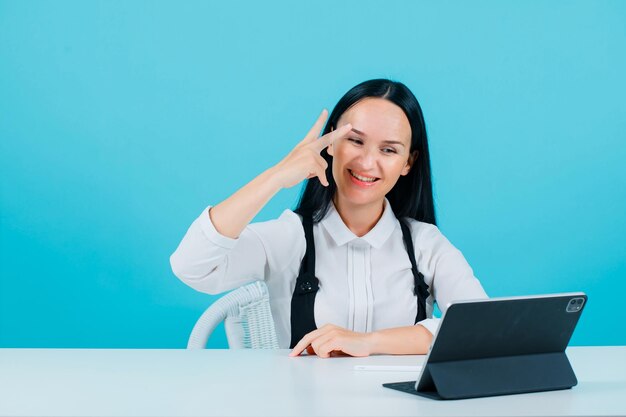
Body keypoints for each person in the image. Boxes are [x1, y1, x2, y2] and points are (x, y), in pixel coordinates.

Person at [170, 79, 487, 357]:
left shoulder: (424, 244)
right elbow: (192, 267)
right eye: (356, 140)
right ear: (332, 140)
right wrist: (276, 176)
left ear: (408, 162)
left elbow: (480, 326)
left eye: (389, 150)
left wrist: (370, 342)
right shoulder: (290, 238)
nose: (367, 162)